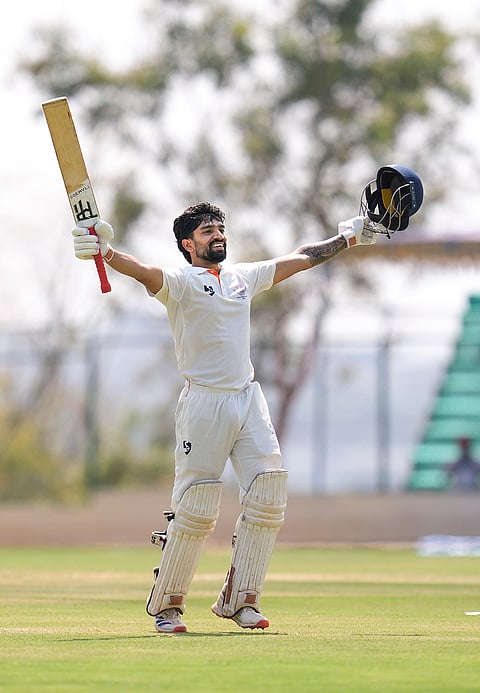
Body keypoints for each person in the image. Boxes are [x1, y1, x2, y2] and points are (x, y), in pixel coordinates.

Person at [72, 202, 376, 633]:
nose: (217, 234)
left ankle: (240, 602)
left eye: (219, 228)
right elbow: (140, 271)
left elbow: (303, 257)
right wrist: (107, 253)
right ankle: (168, 607)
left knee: (269, 495)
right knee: (195, 506)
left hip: (248, 399)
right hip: (203, 403)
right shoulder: (180, 282)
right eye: (206, 230)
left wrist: (349, 237)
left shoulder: (241, 278)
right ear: (187, 244)